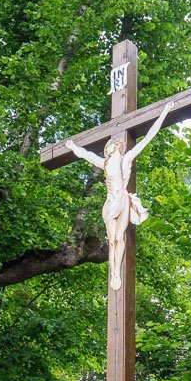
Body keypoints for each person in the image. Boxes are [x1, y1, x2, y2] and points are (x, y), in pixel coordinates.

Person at [65, 100, 174, 291]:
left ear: (116, 148)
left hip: (122, 199)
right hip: (110, 202)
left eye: (110, 148)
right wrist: (73, 146)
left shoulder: (127, 158)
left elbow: (149, 137)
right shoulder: (104, 163)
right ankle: (113, 269)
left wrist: (164, 112)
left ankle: (116, 272)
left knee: (118, 238)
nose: (108, 150)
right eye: (107, 150)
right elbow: (84, 154)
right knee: (111, 239)